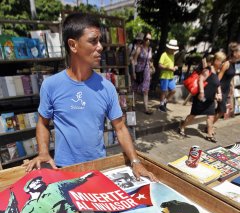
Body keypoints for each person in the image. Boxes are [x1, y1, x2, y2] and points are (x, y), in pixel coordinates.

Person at [24, 13, 156, 182]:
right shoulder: (51, 86)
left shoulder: (106, 87)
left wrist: (135, 161)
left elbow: (120, 128)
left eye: (99, 41)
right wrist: (43, 152)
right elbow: (43, 123)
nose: (100, 47)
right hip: (64, 169)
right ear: (73, 45)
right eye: (93, 41)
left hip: (98, 167)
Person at [179, 52, 226, 142]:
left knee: (211, 116)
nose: (222, 63)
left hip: (210, 100)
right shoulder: (207, 70)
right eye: (221, 61)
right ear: (216, 61)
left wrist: (219, 93)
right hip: (202, 98)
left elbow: (217, 84)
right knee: (193, 115)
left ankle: (209, 135)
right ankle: (182, 126)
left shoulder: (216, 71)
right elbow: (200, 80)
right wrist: (201, 92)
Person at [214, 42, 240, 124]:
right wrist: (218, 92)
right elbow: (218, 78)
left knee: (220, 110)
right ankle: (209, 127)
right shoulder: (227, 64)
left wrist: (231, 86)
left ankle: (209, 126)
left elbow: (230, 76)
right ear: (235, 53)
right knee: (222, 110)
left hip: (226, 89)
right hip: (220, 89)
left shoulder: (233, 63)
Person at [132, 32, 153, 115]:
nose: (148, 41)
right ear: (143, 39)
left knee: (146, 90)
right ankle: (132, 105)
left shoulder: (150, 49)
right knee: (135, 89)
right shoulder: (139, 48)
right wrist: (133, 72)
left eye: (149, 39)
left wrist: (151, 66)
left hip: (146, 71)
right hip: (139, 71)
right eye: (146, 39)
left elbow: (149, 60)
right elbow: (134, 60)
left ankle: (146, 108)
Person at [158, 39, 179, 112]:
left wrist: (174, 67)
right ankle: (161, 105)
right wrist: (168, 68)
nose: (173, 51)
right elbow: (160, 65)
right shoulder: (164, 54)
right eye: (172, 49)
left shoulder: (172, 55)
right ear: (169, 48)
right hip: (164, 76)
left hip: (170, 76)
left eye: (174, 49)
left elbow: (172, 64)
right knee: (164, 91)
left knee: (173, 90)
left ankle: (164, 102)